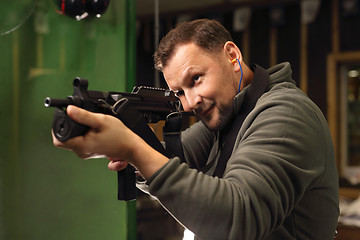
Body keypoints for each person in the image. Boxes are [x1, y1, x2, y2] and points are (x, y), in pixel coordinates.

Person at [53, 19, 339, 239]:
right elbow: (173, 164)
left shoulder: (285, 114)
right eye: (178, 92)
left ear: (231, 55)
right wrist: (114, 144)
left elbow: (236, 219)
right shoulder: (228, 114)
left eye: (197, 79)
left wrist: (133, 147)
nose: (189, 103)